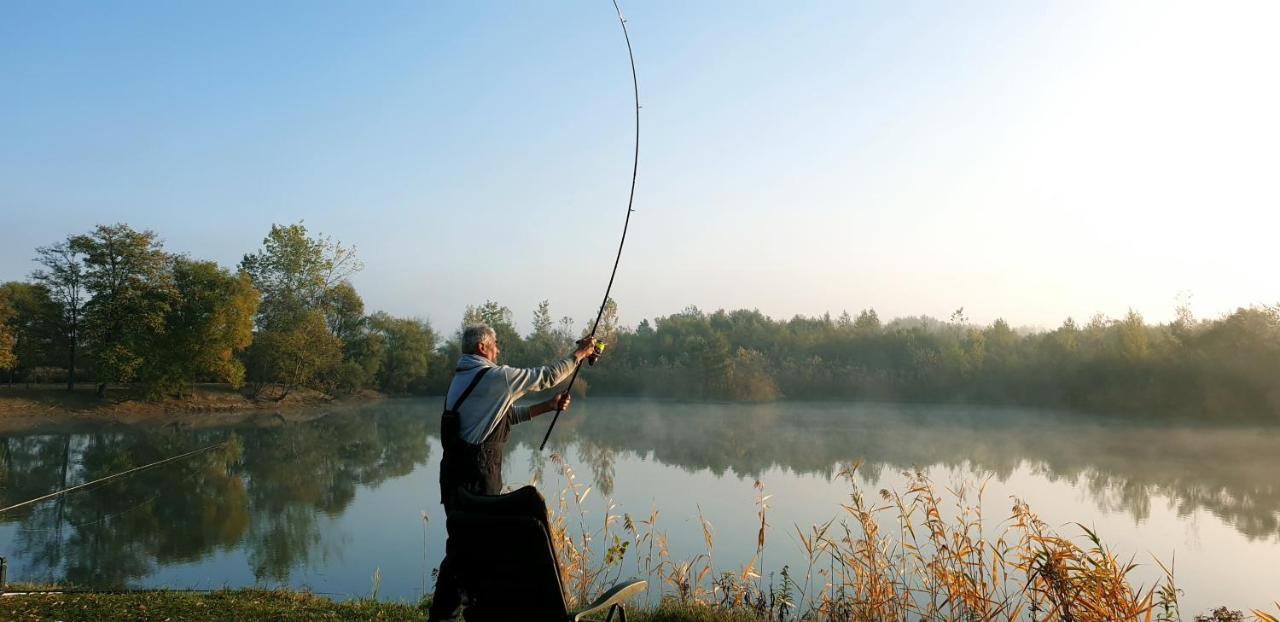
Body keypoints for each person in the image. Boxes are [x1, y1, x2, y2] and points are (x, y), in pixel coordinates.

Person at [428, 323, 599, 621]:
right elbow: (545, 377)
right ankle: (460, 613)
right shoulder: (495, 376)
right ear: (483, 348)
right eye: (495, 344)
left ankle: (453, 614)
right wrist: (579, 354)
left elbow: (502, 419)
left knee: (464, 546)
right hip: (477, 476)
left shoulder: (465, 376)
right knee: (469, 548)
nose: (498, 350)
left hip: (454, 475)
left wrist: (547, 407)